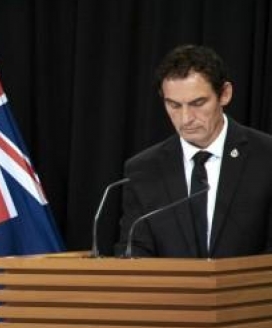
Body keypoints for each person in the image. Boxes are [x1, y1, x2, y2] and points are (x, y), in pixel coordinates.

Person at [116, 44, 272, 258]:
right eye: (174, 105)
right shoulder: (143, 169)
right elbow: (133, 252)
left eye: (198, 103)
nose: (186, 118)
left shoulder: (265, 156)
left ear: (224, 94)